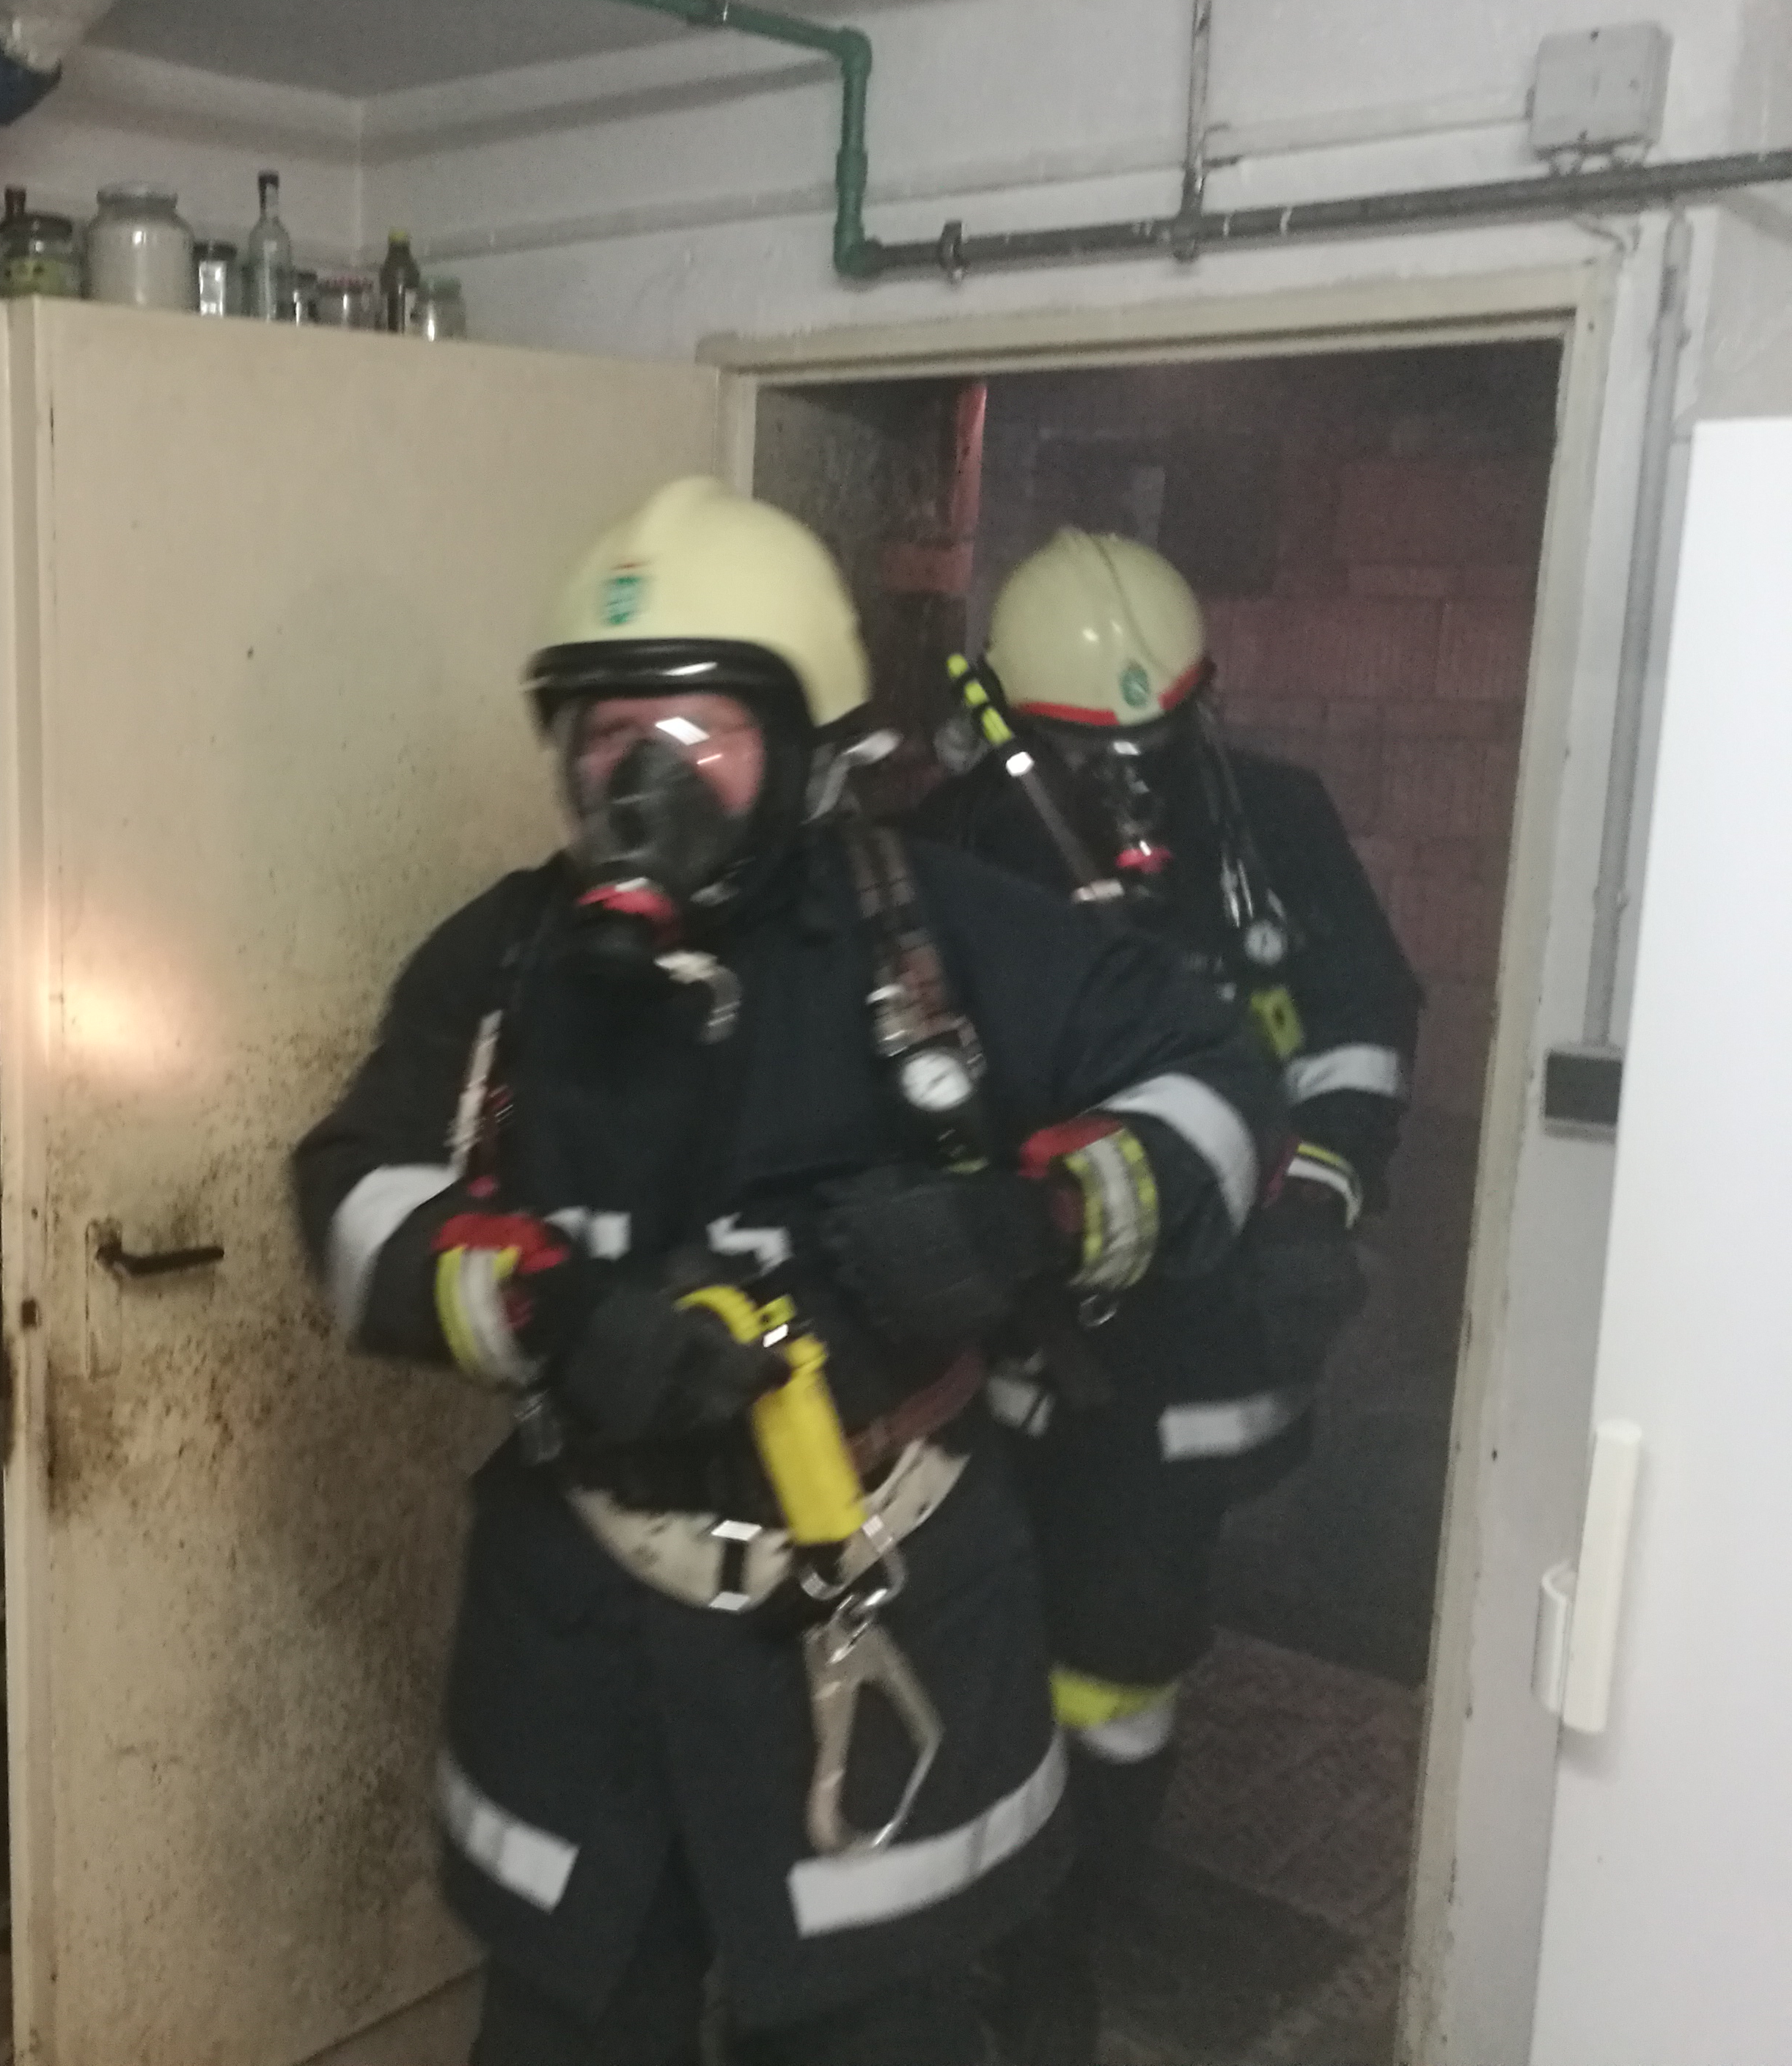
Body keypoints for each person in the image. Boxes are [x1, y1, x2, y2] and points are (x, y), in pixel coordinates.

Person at [290, 479, 1282, 2065]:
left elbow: (1221, 1087)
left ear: (811, 753)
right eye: (609, 735)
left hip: (883, 1623)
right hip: (585, 1645)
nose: (646, 779)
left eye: (702, 732)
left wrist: (1029, 1221)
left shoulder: (943, 937)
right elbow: (353, 1195)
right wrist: (542, 1310)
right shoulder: (506, 963)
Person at [913, 528, 1422, 2065]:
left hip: (1200, 1339)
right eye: (1089, 760)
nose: (1133, 792)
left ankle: (1089, 1902)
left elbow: (1358, 1017)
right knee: (968, 1640)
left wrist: (1317, 1189)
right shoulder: (940, 854)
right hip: (994, 1350)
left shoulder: (1275, 821)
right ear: (1004, 731)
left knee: (1126, 1640)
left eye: (1159, 747)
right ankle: (985, 1926)